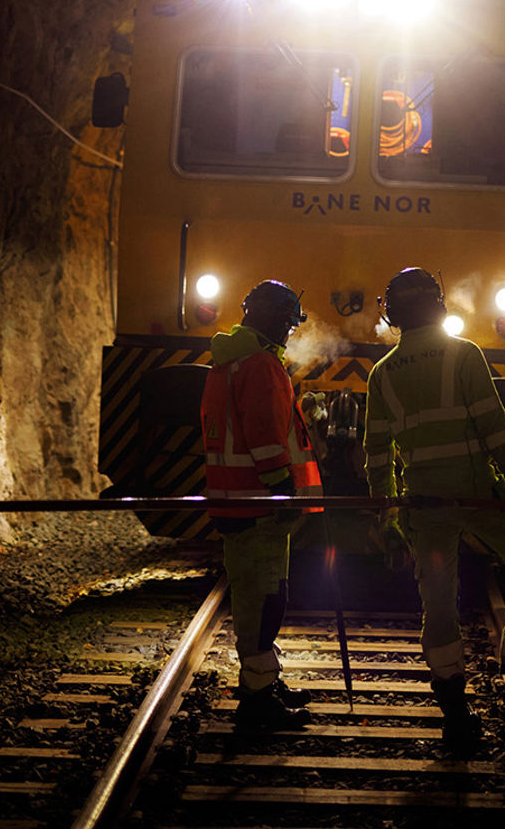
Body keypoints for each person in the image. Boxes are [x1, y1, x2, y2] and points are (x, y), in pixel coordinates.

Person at [362, 267, 505, 749]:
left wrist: (387, 515)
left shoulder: (382, 374)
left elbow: (376, 455)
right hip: (480, 497)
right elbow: (494, 427)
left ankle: (455, 713)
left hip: (424, 506)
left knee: (438, 603)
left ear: (392, 315)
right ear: (438, 305)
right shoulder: (464, 354)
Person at [200, 280, 324, 732]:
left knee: (259, 595)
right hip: (260, 505)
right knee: (266, 600)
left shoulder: (226, 362)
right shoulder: (262, 365)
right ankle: (256, 699)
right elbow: (266, 434)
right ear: (275, 319)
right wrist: (282, 492)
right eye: (289, 323)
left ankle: (265, 683)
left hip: (234, 500)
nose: (290, 333)